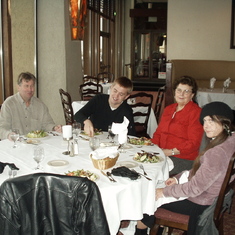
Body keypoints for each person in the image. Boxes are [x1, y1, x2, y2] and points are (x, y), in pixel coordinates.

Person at [135, 101, 235, 235]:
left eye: (211, 121)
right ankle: (157, 228)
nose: (206, 126)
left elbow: (195, 188)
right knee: (158, 189)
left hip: (201, 203)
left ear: (224, 121)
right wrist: (176, 179)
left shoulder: (216, 152)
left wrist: (164, 191)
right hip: (213, 198)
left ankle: (145, 230)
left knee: (147, 198)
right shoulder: (230, 140)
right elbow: (203, 171)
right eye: (204, 121)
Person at [151, 76, 204, 175]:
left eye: (186, 91)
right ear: (175, 92)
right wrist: (152, 146)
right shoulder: (169, 109)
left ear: (192, 95)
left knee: (152, 171)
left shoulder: (196, 112)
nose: (181, 94)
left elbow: (194, 143)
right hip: (162, 153)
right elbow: (158, 133)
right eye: (179, 90)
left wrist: (170, 152)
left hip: (183, 159)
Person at [0, 72, 62, 140]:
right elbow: (2, 128)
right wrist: (9, 135)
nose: (30, 89)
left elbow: (47, 124)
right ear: (18, 87)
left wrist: (55, 128)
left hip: (36, 144)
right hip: (16, 145)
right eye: (26, 86)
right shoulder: (9, 104)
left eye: (32, 86)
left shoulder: (40, 105)